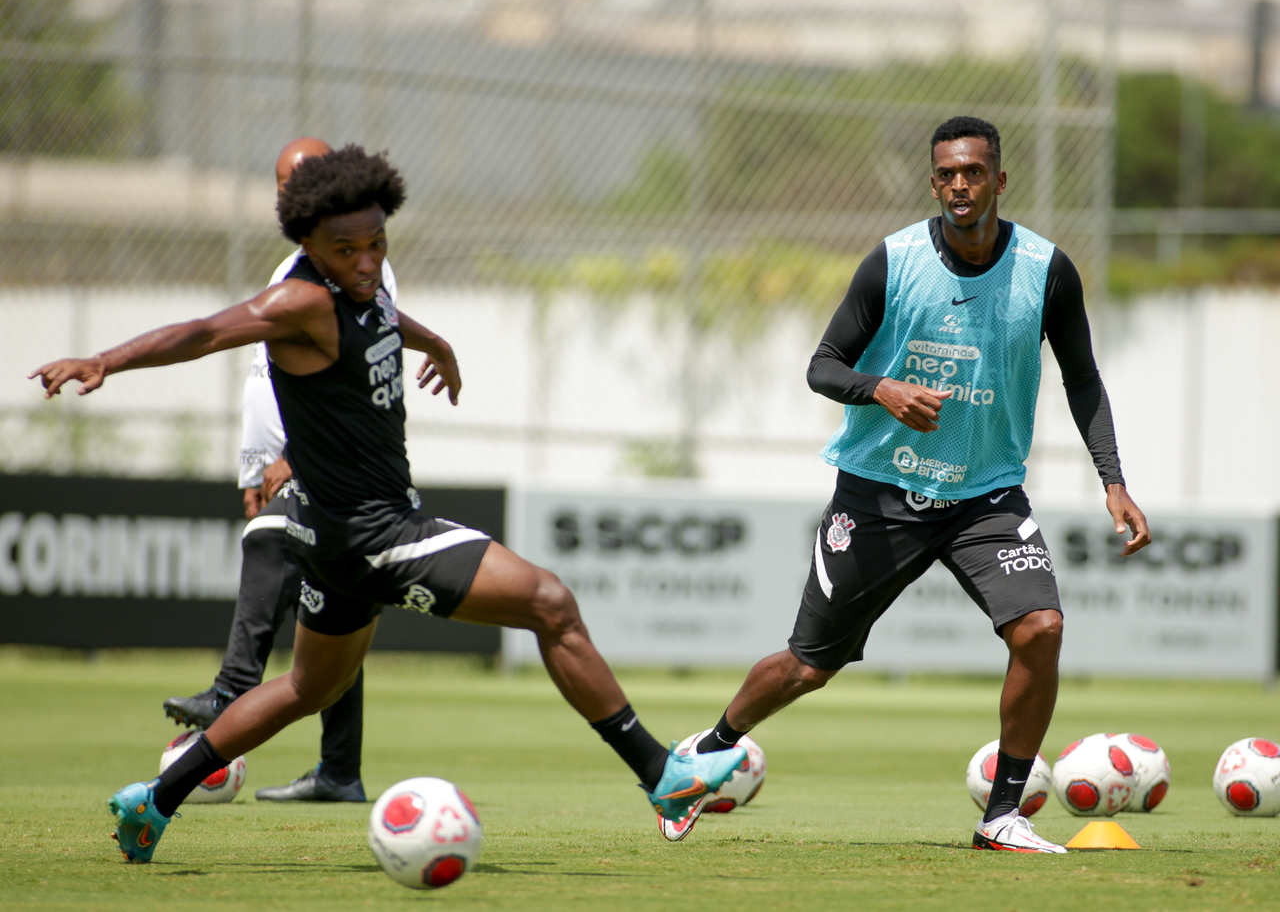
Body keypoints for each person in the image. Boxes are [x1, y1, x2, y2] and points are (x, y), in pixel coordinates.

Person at [30, 144, 745, 863]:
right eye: (347, 250)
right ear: (307, 243)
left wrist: (437, 344)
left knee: (307, 688)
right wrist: (106, 361)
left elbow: (388, 319)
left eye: (377, 244)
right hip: (376, 531)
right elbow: (207, 331)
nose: (367, 261)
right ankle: (663, 775)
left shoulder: (364, 288)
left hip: (342, 539)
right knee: (550, 602)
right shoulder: (299, 300)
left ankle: (152, 800)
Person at [681, 116, 1151, 853]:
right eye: (946, 175)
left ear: (999, 179)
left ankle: (1002, 815)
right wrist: (884, 390)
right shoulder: (894, 262)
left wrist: (1113, 479)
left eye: (973, 172)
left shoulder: (1046, 269)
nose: (959, 185)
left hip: (986, 496)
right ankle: (704, 754)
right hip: (879, 492)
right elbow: (824, 364)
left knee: (1042, 628)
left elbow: (1083, 377)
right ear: (934, 183)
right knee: (808, 666)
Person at [161, 136, 390, 804]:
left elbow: (358, 365)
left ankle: (233, 689)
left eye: (308, 178)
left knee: (270, 545)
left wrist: (292, 459)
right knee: (336, 613)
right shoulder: (294, 267)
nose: (296, 191)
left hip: (326, 468)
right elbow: (267, 378)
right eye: (286, 182)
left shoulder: (351, 260)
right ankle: (340, 769)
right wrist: (251, 464)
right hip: (282, 465)